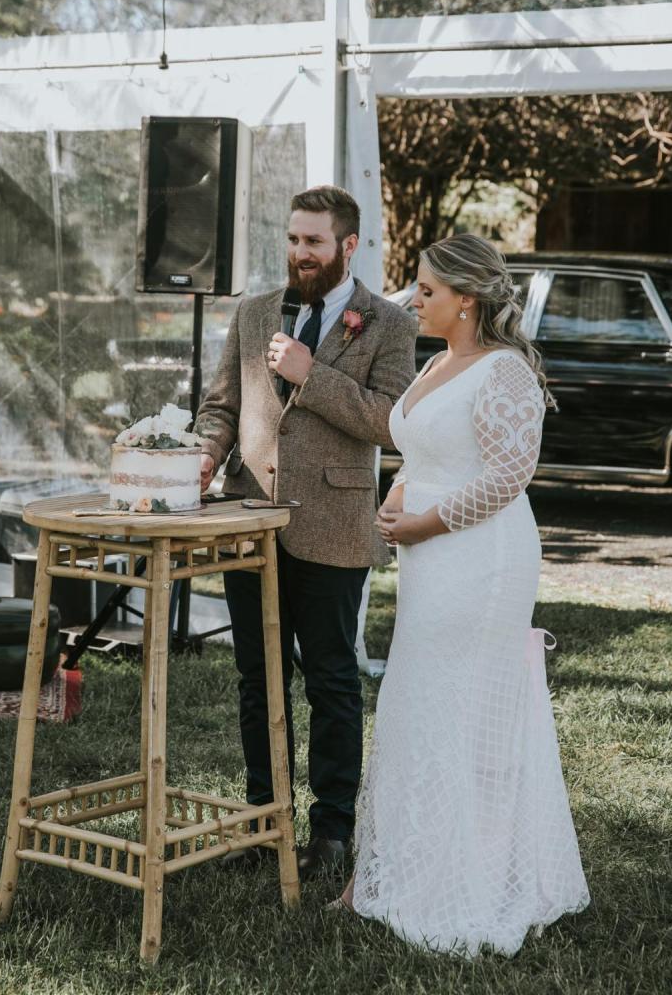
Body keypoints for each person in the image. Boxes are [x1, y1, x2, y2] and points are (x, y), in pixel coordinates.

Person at [336, 232, 590, 955]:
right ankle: (397, 870)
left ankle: (470, 876)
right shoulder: (437, 363)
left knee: (457, 701)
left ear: (466, 299)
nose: (413, 300)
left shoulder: (503, 372)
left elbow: (510, 474)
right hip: (427, 552)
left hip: (483, 558)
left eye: (426, 290)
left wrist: (420, 521)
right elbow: (426, 451)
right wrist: (398, 498)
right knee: (415, 695)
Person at [194, 185, 416, 877]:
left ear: (348, 246)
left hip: (334, 524)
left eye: (313, 242)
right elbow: (221, 405)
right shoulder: (256, 312)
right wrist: (204, 452)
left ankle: (331, 835)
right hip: (250, 519)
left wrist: (310, 374)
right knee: (257, 679)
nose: (299, 254)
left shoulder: (389, 324)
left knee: (330, 680)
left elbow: (388, 421)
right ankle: (264, 827)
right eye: (293, 240)